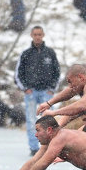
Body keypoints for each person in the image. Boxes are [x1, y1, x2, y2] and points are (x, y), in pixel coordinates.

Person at [15, 26, 60, 156]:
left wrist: (52, 89)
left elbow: (57, 72)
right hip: (31, 92)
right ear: (31, 35)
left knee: (49, 120)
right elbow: (18, 73)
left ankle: (50, 147)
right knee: (31, 120)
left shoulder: (50, 53)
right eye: (35, 34)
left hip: (47, 92)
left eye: (39, 34)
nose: (37, 37)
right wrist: (25, 88)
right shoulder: (26, 54)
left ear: (43, 35)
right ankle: (34, 148)